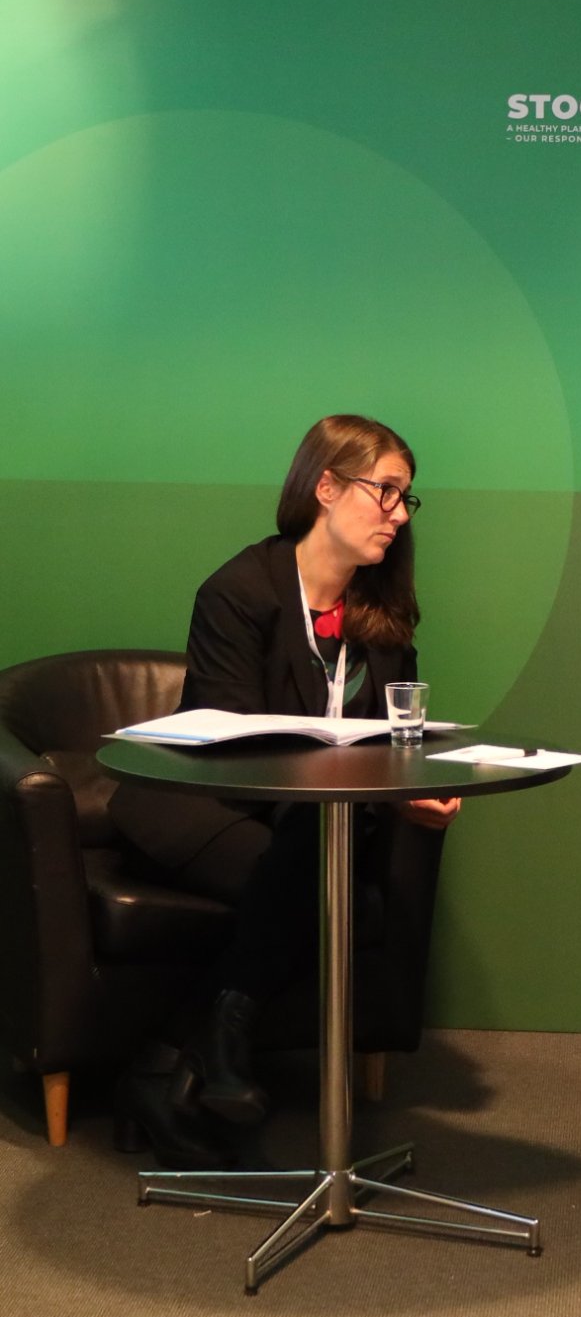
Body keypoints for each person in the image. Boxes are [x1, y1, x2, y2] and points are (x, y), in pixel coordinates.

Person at [112, 414, 456, 1165]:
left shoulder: (383, 615)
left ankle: (180, 1054)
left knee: (323, 861)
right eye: (386, 491)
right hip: (199, 804)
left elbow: (394, 739)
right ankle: (200, 1046)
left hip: (309, 824)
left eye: (405, 498)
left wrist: (412, 791)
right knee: (326, 886)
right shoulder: (239, 591)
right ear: (326, 487)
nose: (399, 515)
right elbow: (234, 748)